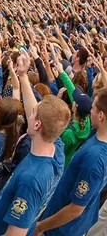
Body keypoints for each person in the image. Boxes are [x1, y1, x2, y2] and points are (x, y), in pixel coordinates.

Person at [0, 52, 71, 236]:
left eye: (33, 113)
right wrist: (23, 76)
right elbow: (34, 109)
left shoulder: (31, 180)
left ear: (37, 125)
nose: (28, 113)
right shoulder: (56, 148)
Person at [35, 88, 107, 236]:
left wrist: (41, 227)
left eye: (93, 108)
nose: (90, 112)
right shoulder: (97, 136)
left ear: (101, 116)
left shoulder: (95, 158)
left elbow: (76, 209)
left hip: (60, 229)